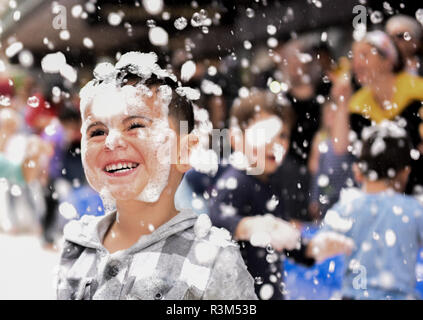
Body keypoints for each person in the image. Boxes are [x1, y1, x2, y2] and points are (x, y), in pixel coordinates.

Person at [55, 51, 257, 300]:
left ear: (185, 152)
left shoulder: (212, 259)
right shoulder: (77, 245)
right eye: (97, 131)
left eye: (136, 126)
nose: (112, 141)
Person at [209, 89, 315, 300]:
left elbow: (283, 238)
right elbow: (216, 218)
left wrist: (311, 249)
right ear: (236, 139)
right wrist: (249, 226)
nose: (275, 143)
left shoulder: (270, 184)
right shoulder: (235, 182)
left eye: (283, 135)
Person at [307, 121, 423, 300]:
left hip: (354, 295)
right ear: (405, 172)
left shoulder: (347, 207)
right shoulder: (414, 210)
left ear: (359, 171)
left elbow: (316, 248)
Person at [346, 30, 423, 195]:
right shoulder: (357, 105)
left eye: (364, 55)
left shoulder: (418, 91)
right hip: (385, 197)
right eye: (354, 57)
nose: (356, 64)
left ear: (388, 60)